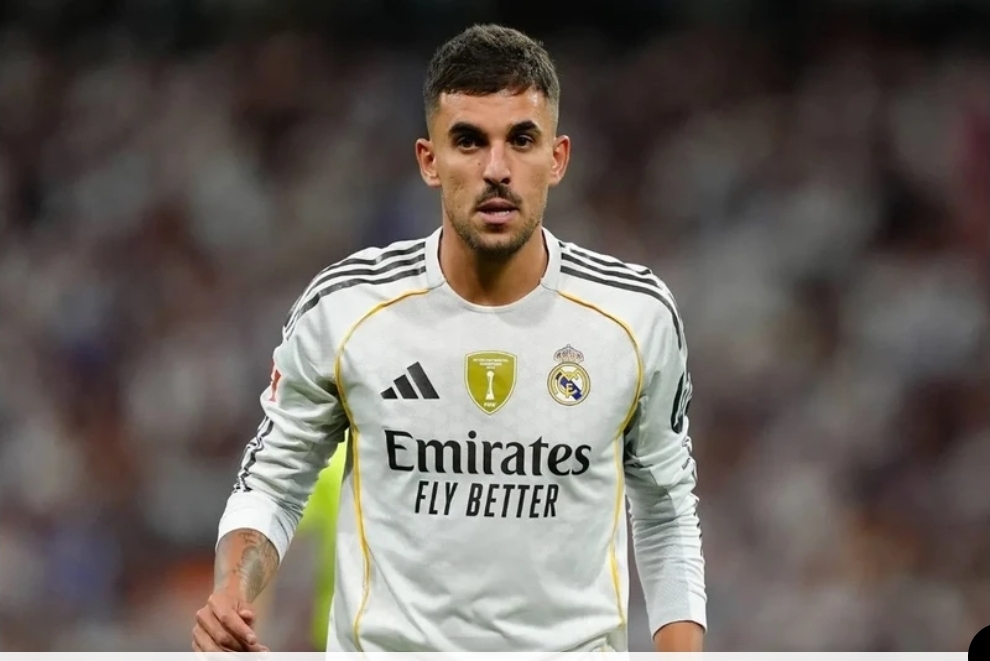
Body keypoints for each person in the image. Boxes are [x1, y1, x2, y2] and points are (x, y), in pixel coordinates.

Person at [192, 23, 706, 654]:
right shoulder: (345, 309)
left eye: (522, 140)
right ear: (429, 160)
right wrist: (233, 589)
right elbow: (273, 482)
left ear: (558, 158)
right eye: (468, 141)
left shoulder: (634, 317)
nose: (497, 169)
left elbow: (666, 513)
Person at [251, 438, 348, 651]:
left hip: (337, 630)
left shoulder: (331, 458)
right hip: (339, 631)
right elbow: (271, 538)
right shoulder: (333, 461)